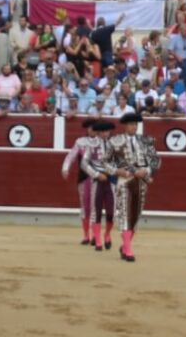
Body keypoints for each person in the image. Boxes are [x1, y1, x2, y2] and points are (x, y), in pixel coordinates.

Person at [106, 111, 159, 263]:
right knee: (125, 213)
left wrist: (146, 171)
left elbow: (155, 160)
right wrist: (116, 171)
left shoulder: (145, 141)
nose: (133, 127)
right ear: (125, 126)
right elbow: (105, 162)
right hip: (125, 180)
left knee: (135, 215)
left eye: (135, 124)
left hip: (141, 181)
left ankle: (125, 245)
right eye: (130, 124)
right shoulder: (115, 141)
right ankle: (128, 250)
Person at [64, 118, 104, 245]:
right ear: (87, 129)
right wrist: (65, 168)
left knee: (94, 207)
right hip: (83, 178)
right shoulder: (80, 142)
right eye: (90, 127)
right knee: (84, 207)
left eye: (94, 127)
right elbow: (71, 156)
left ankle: (94, 236)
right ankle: (86, 235)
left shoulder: (102, 142)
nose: (92, 130)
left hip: (97, 179)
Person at [81, 118, 118, 251]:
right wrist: (96, 175)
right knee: (96, 212)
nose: (104, 134)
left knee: (111, 213)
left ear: (109, 132)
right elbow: (84, 164)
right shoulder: (92, 146)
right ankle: (97, 239)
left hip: (111, 181)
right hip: (97, 182)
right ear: (98, 133)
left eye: (106, 131)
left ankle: (107, 234)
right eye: (102, 131)